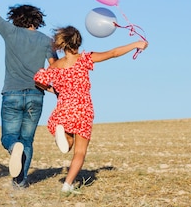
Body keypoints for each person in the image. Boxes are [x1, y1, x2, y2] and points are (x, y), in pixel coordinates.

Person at [33, 25, 148, 194]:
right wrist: (136, 44)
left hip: (64, 108)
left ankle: (63, 135)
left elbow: (39, 81)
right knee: (80, 152)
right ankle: (67, 184)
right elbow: (113, 53)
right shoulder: (84, 59)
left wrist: (54, 90)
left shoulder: (56, 66)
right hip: (83, 108)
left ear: (63, 45)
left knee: (68, 141)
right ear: (78, 43)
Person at [0, 2, 58, 188]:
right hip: (36, 95)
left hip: (12, 93)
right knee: (27, 140)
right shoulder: (47, 41)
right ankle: (20, 182)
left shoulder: (11, 32)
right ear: (37, 19)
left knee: (8, 136)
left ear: (16, 18)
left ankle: (12, 147)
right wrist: (52, 88)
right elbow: (55, 68)